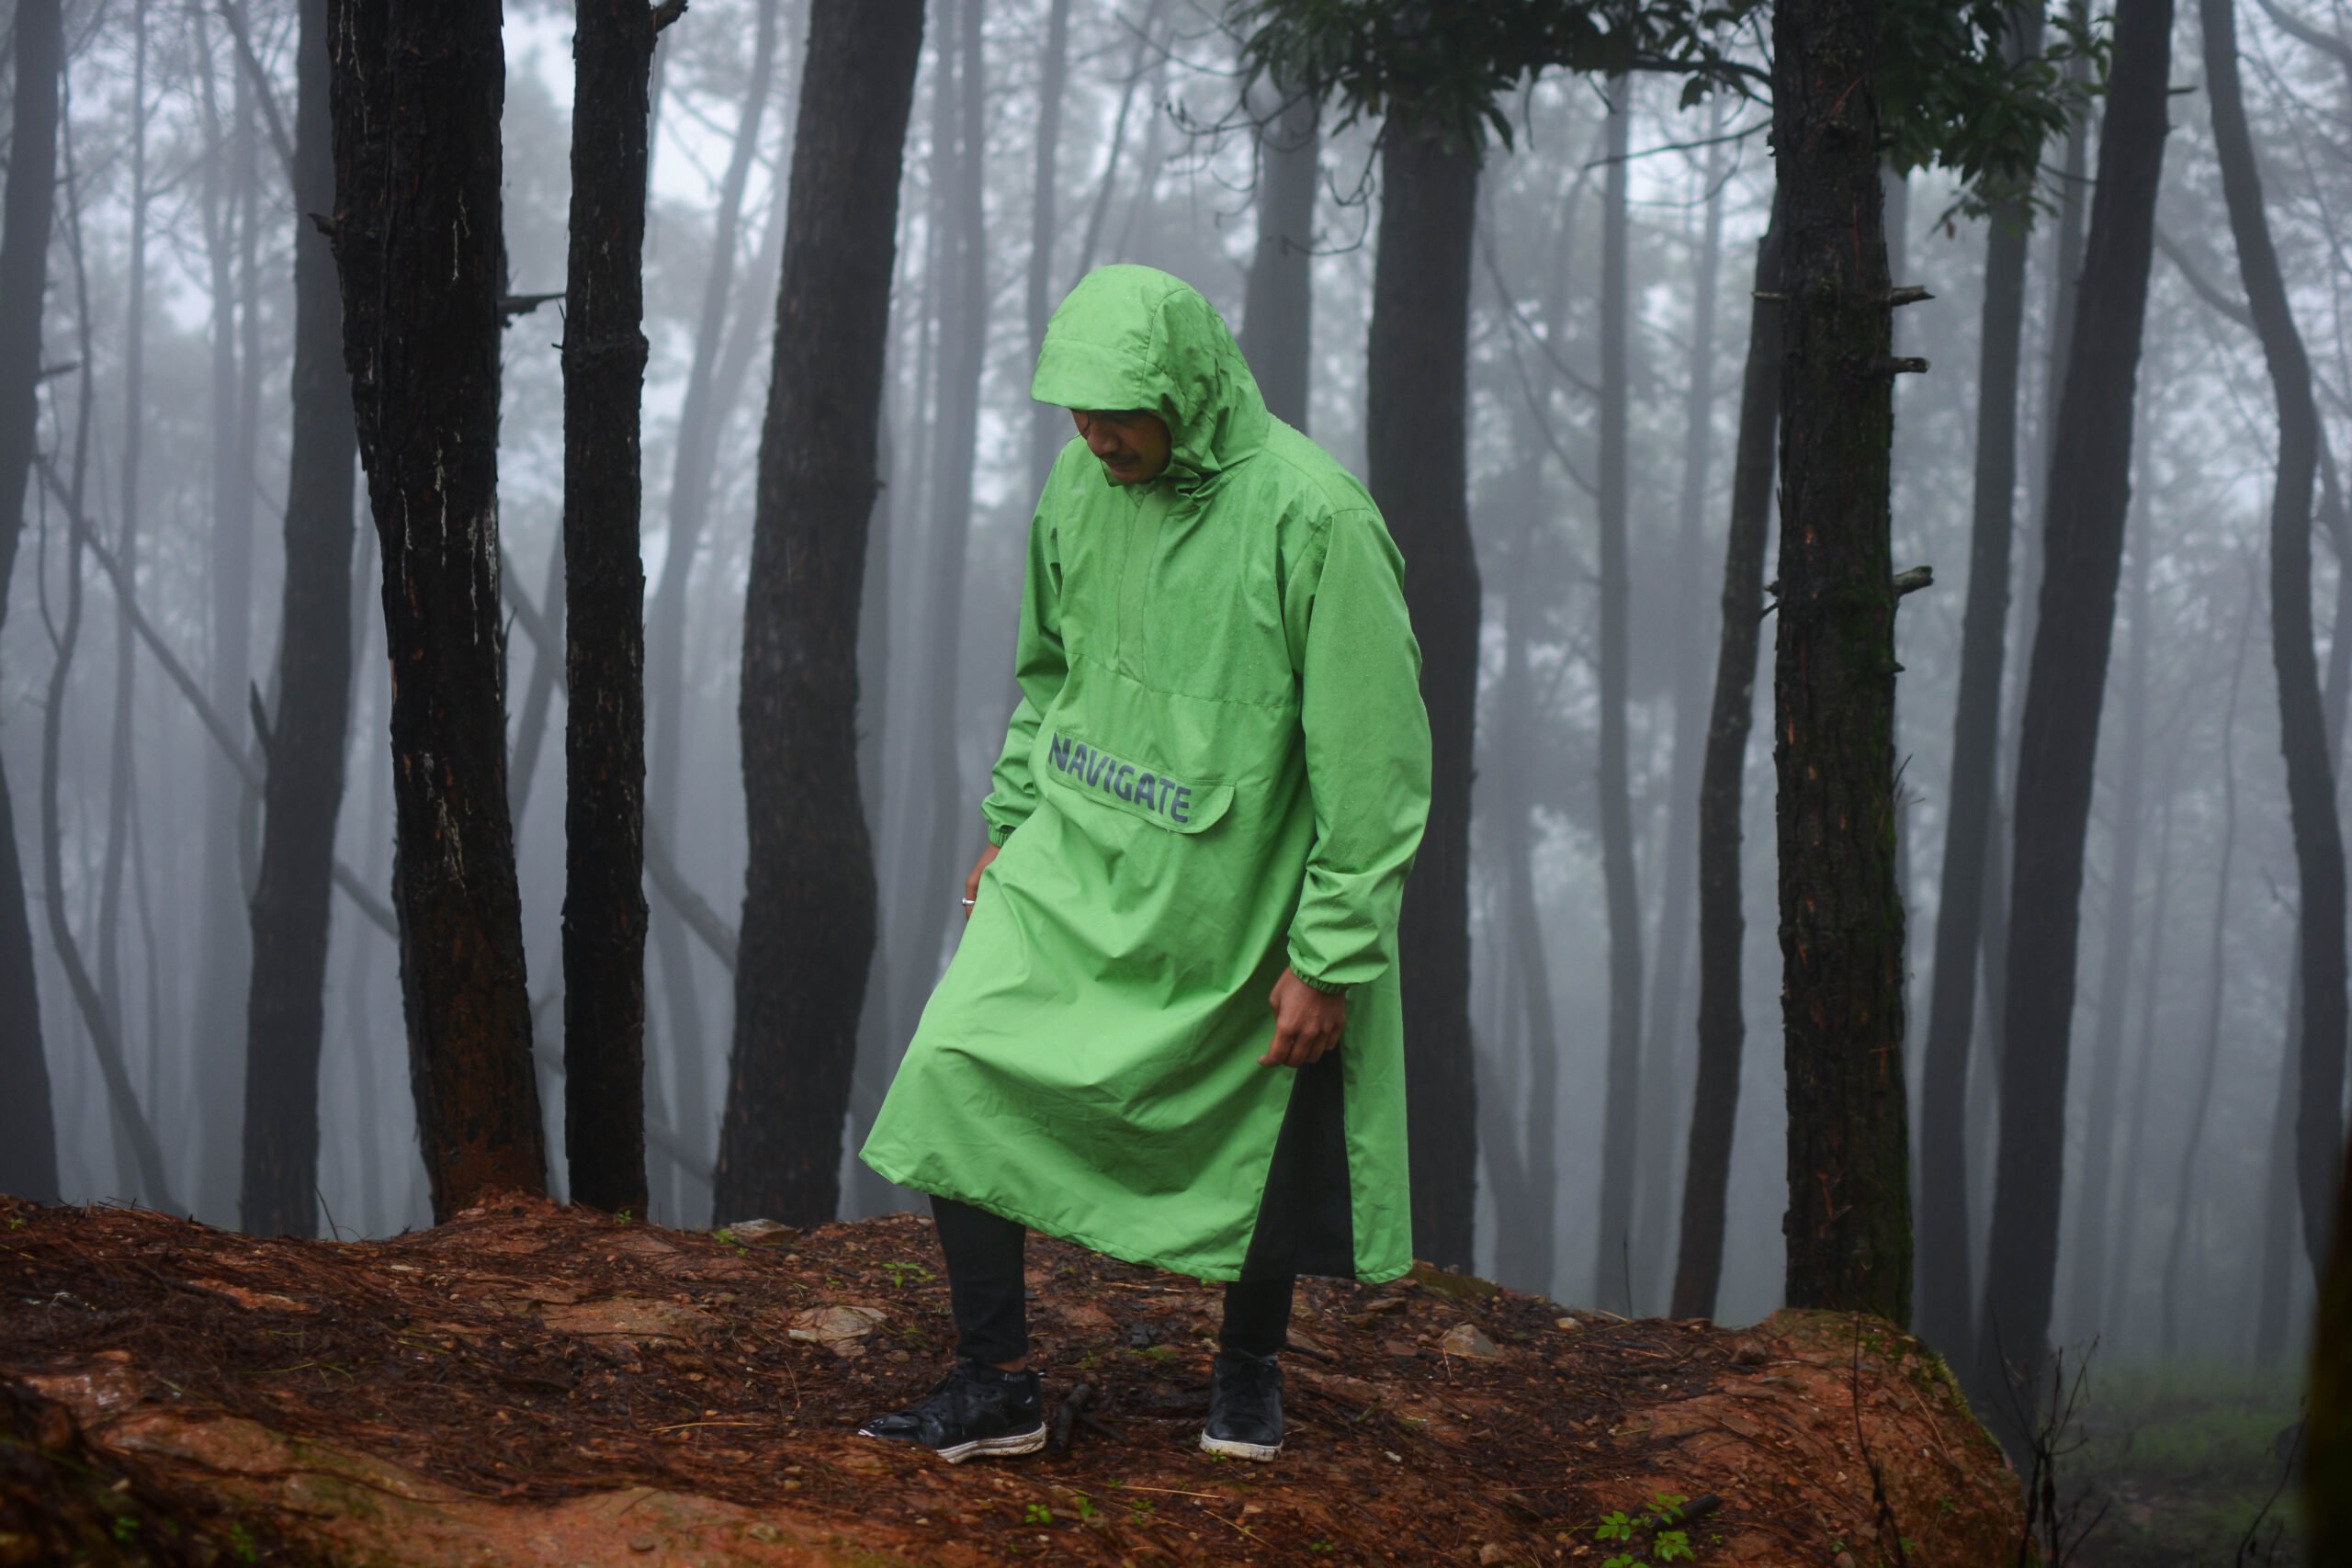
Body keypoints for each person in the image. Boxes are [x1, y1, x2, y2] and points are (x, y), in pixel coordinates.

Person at [857, 264, 1431, 1465]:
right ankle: (996, 1383)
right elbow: (1052, 672)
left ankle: (1247, 1368)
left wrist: (1330, 953)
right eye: (1076, 409)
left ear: (1185, 391)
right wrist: (1012, 817)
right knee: (956, 1062)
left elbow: (1373, 762)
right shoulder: (1082, 481)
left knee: (1265, 1108)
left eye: (1118, 412)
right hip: (1076, 859)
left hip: (1236, 888)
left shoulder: (1316, 520)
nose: (1093, 435)